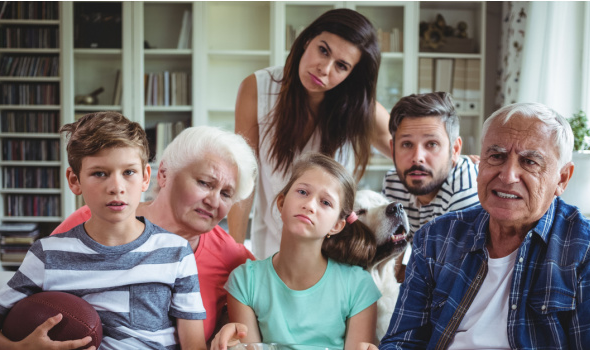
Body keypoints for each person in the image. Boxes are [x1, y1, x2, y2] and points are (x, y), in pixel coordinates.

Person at [379, 103, 590, 349]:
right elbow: (402, 342)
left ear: (562, 178)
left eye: (530, 162)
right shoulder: (436, 238)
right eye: (496, 156)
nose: (507, 176)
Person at [0, 112, 207, 349]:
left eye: (129, 172)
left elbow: (194, 347)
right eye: (99, 173)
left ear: (145, 177)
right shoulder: (48, 255)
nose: (116, 187)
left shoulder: (176, 252)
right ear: (74, 180)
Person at [49, 124, 258, 345]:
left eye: (226, 194)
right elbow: (32, 300)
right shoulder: (91, 222)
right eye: (204, 183)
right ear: (164, 175)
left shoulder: (233, 257)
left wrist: (231, 329)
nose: (213, 201)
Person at [229, 8, 393, 260]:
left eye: (341, 66)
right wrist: (233, 252)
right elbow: (243, 177)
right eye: (323, 50)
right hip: (270, 248)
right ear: (307, 40)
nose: (324, 69)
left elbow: (412, 154)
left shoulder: (360, 109)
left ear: (351, 74)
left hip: (333, 253)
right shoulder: (257, 89)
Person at [211, 153, 380, 350]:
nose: (309, 205)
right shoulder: (244, 282)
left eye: (325, 202)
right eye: (302, 192)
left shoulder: (359, 286)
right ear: (281, 203)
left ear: (337, 226)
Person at [383, 92, 479, 233]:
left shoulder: (466, 188)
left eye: (432, 144)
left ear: (455, 149)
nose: (417, 157)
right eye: (407, 144)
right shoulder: (393, 184)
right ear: (393, 150)